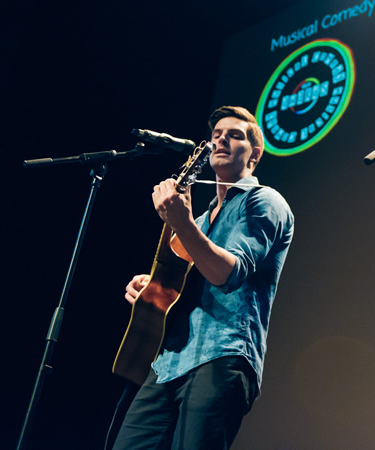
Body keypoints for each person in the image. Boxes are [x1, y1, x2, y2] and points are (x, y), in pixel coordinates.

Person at [111, 106, 294, 449]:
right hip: (168, 363)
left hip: (221, 355)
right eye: (216, 135)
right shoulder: (204, 219)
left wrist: (182, 223)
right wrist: (155, 289)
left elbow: (227, 274)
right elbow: (186, 280)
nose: (221, 139)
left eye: (235, 135)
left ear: (255, 154)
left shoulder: (264, 201)